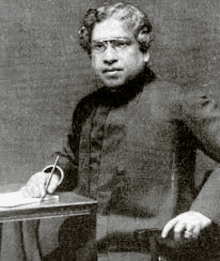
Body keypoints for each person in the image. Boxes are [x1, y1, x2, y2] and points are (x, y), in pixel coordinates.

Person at [5, 2, 220, 261]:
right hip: (83, 250)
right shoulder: (87, 107)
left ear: (144, 50)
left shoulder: (180, 100)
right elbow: (72, 160)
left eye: (120, 44)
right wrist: (51, 175)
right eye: (99, 46)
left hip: (149, 252)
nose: (109, 57)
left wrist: (203, 212)